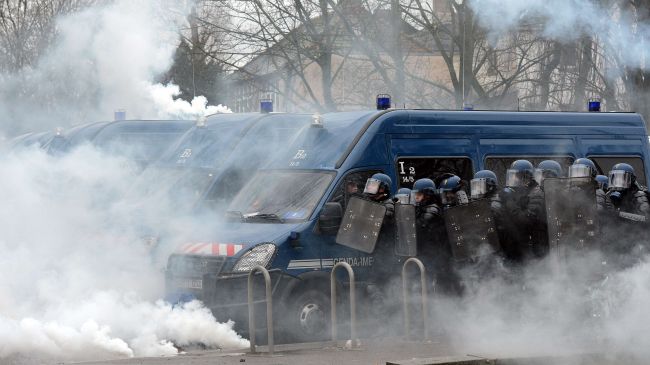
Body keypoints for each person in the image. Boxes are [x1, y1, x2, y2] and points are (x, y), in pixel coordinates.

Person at [501, 160, 547, 261]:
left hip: (537, 250)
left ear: (526, 178)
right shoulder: (525, 193)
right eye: (512, 177)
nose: (514, 181)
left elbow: (525, 220)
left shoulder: (537, 194)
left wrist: (509, 202)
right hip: (525, 248)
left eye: (517, 177)